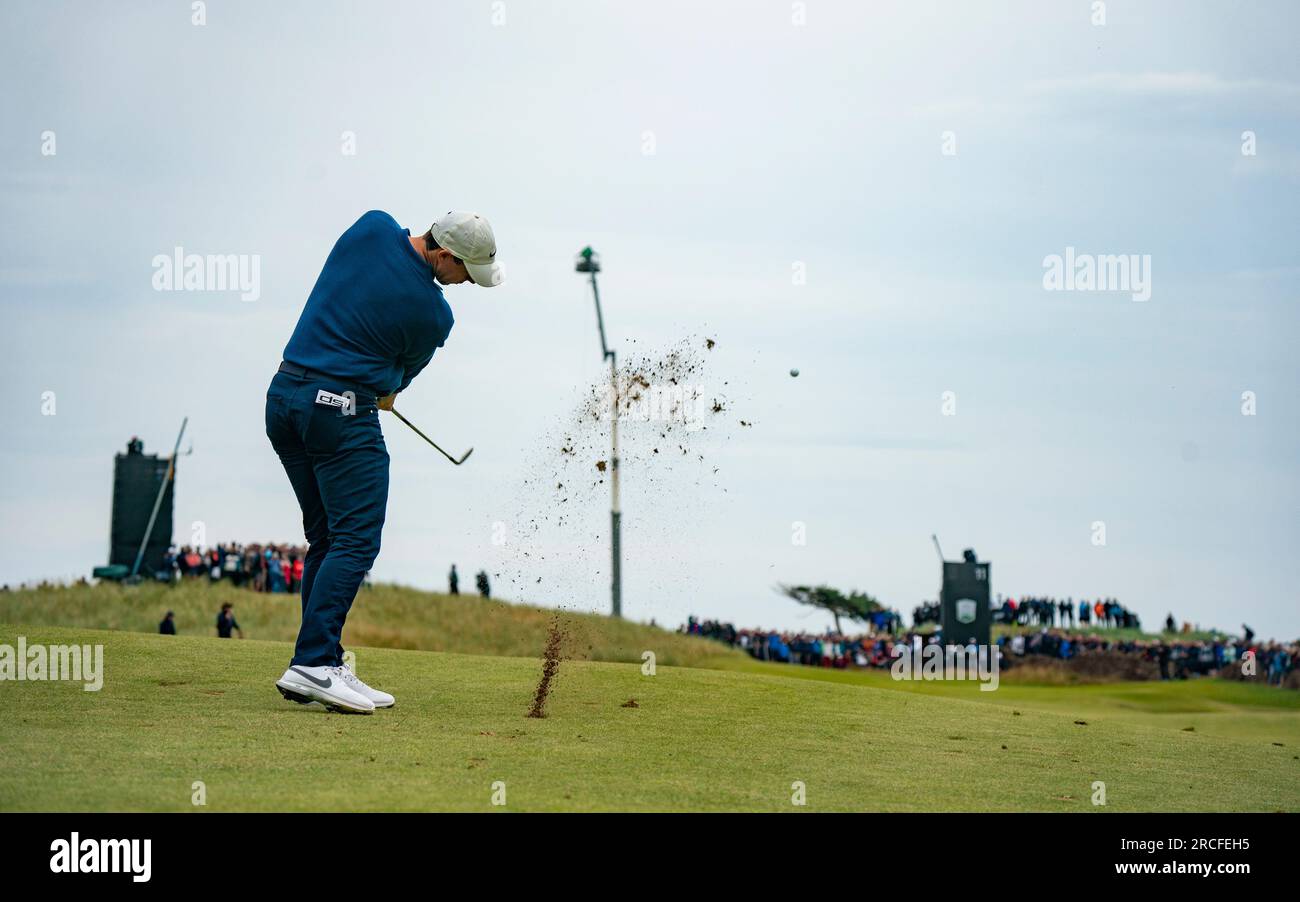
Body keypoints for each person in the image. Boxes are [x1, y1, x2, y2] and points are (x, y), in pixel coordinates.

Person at [267, 209, 503, 715]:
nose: (463, 284)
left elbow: (354, 284)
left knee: (327, 538)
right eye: (465, 273)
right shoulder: (436, 316)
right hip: (339, 412)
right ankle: (311, 663)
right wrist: (382, 388)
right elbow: (391, 388)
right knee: (356, 539)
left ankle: (322, 660)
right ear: (446, 256)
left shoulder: (373, 225)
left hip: (284, 398)